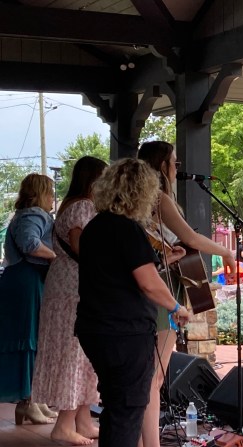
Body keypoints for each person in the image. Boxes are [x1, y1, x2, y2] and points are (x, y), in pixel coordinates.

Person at [75, 159, 190, 447]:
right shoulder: (127, 229)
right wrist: (177, 307)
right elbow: (147, 282)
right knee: (127, 409)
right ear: (141, 192)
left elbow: (119, 272)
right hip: (124, 332)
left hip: (96, 328)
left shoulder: (94, 227)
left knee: (116, 407)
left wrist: (162, 260)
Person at [138, 141, 235, 447]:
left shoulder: (138, 202)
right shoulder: (160, 199)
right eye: (174, 163)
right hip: (163, 289)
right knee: (154, 379)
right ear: (163, 165)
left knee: (149, 376)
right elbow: (190, 236)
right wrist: (226, 252)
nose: (177, 169)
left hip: (155, 282)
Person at [31, 157, 107, 445]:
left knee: (79, 353)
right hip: (74, 287)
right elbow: (81, 246)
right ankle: (64, 424)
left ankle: (83, 420)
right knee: (75, 352)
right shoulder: (84, 206)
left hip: (63, 283)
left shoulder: (68, 205)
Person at [0, 174, 56, 425]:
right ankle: (29, 401)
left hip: (25, 279)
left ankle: (34, 399)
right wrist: (56, 257)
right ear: (39, 193)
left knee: (35, 338)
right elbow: (30, 244)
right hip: (26, 279)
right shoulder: (33, 214)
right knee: (29, 337)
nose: (53, 198)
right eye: (50, 192)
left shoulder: (27, 215)